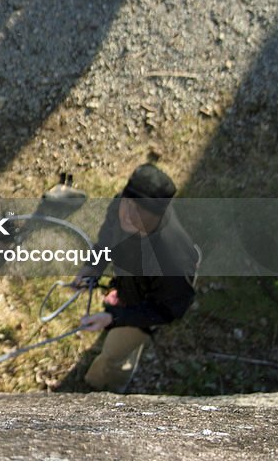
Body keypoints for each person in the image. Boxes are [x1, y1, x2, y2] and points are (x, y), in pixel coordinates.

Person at [74, 164, 198, 392]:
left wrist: (114, 318)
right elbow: (106, 238)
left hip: (151, 302)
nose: (128, 216)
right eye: (127, 204)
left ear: (158, 216)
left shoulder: (172, 259)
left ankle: (103, 388)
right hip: (132, 285)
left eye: (141, 212)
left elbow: (169, 309)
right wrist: (94, 266)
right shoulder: (120, 206)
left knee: (113, 354)